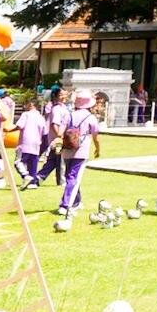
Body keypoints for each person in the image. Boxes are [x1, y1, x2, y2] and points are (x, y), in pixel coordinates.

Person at [57, 90, 102, 219]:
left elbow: (60, 132)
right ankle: (66, 205)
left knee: (70, 176)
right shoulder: (91, 118)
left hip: (67, 150)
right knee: (73, 178)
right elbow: (96, 137)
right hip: (81, 151)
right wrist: (97, 149)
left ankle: (77, 201)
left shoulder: (69, 115)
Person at [36, 92, 73, 187]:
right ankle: (61, 181)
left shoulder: (63, 108)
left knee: (52, 161)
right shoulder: (56, 109)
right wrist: (59, 136)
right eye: (61, 95)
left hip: (60, 137)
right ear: (56, 96)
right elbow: (54, 124)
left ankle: (39, 178)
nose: (64, 96)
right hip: (58, 139)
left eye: (65, 94)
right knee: (61, 160)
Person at [14, 97, 48, 187]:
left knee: (18, 162)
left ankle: (25, 176)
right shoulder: (41, 117)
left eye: (26, 104)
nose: (24, 106)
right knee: (33, 164)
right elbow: (45, 133)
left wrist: (9, 130)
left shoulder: (26, 114)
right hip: (36, 144)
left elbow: (19, 126)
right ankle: (32, 183)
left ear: (31, 105)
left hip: (24, 143)